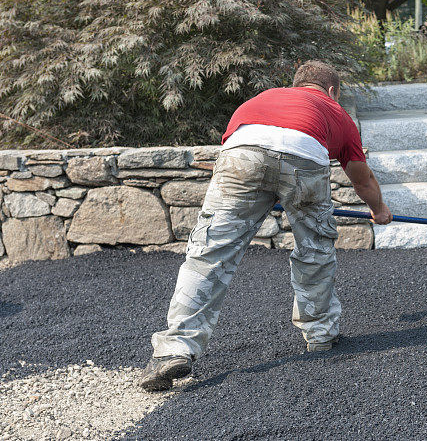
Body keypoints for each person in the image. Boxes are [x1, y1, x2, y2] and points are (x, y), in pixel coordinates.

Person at [139, 61, 392, 391]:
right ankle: (320, 335)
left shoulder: (261, 99)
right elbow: (362, 179)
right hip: (306, 154)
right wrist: (380, 210)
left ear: (296, 85)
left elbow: (253, 159)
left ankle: (174, 349)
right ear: (333, 91)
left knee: (209, 252)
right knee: (314, 249)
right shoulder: (336, 112)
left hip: (243, 151)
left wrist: (266, 192)